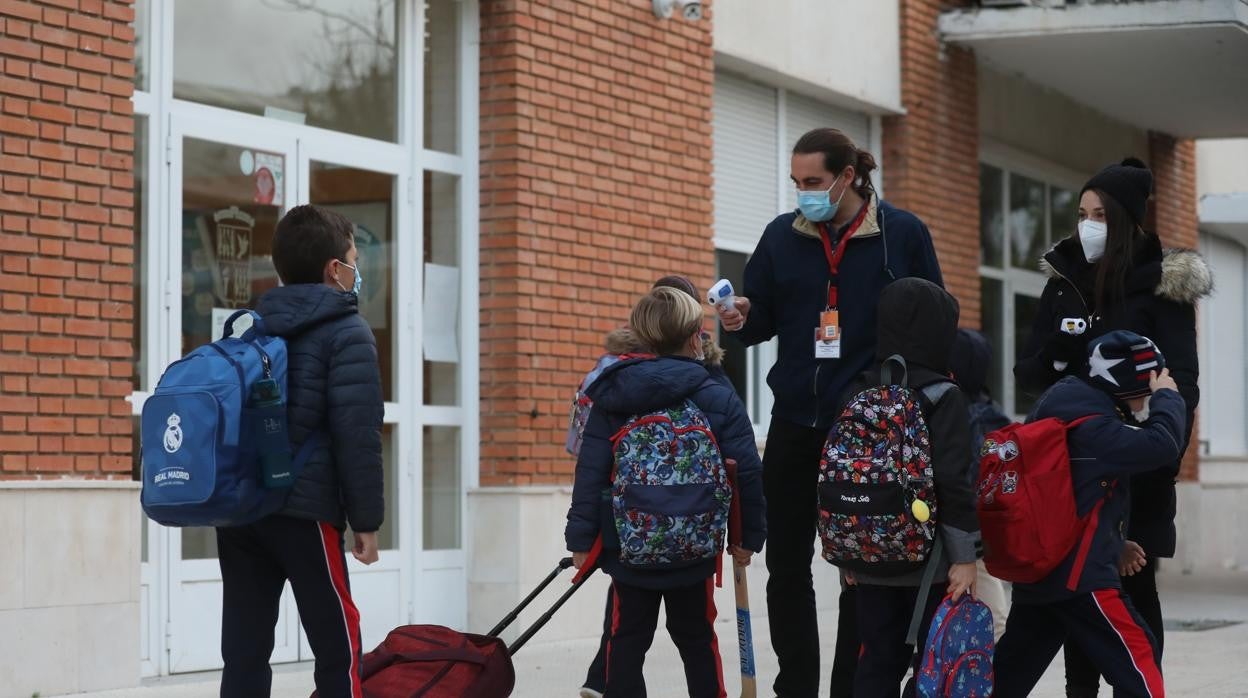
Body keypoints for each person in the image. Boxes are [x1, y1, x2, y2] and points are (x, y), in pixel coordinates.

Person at [715, 127, 943, 697]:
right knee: (786, 565)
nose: (803, 193)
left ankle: (852, 686)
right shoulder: (780, 236)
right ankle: (797, 686)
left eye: (813, 181)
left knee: (861, 567)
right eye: (796, 182)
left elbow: (933, 322)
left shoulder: (903, 234)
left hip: (868, 430)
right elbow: (761, 319)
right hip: (795, 421)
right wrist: (741, 318)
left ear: (848, 177)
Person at [1013, 158, 1211, 695]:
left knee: (1132, 595)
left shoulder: (1163, 287)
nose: (1087, 224)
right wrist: (1059, 350)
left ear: (1125, 219)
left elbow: (1179, 383)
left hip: (1138, 465)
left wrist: (1160, 455)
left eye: (1099, 214)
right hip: (1071, 473)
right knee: (1080, 594)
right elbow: (1029, 374)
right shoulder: (1063, 282)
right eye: (1081, 212)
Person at [566, 287, 766, 698]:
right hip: (695, 549)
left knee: (626, 642)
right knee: (696, 641)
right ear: (697, 337)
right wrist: (748, 538)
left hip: (629, 550)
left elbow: (591, 473)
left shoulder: (614, 395)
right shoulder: (716, 396)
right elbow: (745, 471)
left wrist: (581, 540)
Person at [217, 205, 384, 698]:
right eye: (353, 258)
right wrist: (366, 522)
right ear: (335, 268)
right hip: (306, 512)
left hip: (243, 511)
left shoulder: (251, 326)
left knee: (244, 650)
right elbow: (358, 435)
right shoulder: (348, 332)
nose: (357, 269)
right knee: (338, 647)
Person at [994, 331, 1185, 698]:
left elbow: (1073, 497)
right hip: (1081, 579)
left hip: (1045, 573)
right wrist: (1168, 399)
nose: (1149, 395)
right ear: (1129, 380)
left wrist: (1113, 543)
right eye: (1150, 382)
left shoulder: (1065, 406)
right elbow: (1161, 446)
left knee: (1007, 677)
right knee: (1140, 664)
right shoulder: (1091, 422)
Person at [834, 278, 980, 697]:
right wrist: (965, 557)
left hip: (869, 558)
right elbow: (953, 481)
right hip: (930, 563)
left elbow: (838, 473)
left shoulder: (859, 390)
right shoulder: (942, 394)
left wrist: (847, 550)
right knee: (933, 663)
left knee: (877, 660)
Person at [949, 328, 1013, 640]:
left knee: (992, 622)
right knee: (993, 622)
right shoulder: (991, 413)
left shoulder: (946, 409)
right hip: (975, 530)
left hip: (962, 531)